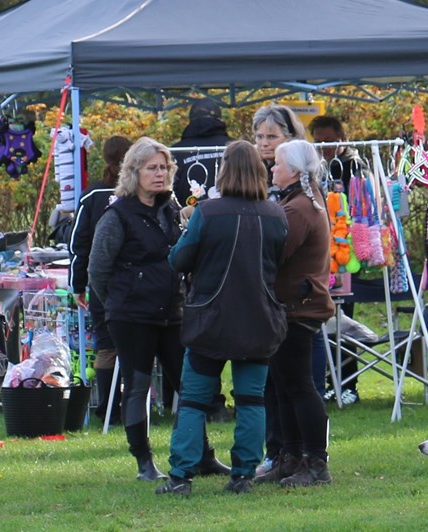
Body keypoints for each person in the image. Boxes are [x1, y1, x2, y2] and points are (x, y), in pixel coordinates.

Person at [89, 137, 228, 481]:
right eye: (152, 167)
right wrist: (119, 304)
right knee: (136, 387)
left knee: (190, 385)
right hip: (131, 316)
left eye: (164, 167)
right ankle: (144, 463)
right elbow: (97, 270)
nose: (160, 174)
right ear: (134, 171)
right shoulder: (116, 214)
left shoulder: (171, 209)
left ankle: (203, 456)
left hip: (173, 312)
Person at [157, 141, 288, 496]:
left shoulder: (208, 212)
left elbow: (179, 259)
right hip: (259, 321)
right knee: (252, 399)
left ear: (224, 170)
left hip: (210, 322)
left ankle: (180, 475)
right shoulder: (276, 215)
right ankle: (243, 474)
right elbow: (281, 263)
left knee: (194, 402)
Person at [254, 140, 335, 488]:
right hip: (295, 305)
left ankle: (315, 462)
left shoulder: (299, 208)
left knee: (298, 386)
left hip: (297, 308)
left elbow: (273, 254)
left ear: (296, 171)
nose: (272, 168)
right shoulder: (301, 201)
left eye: (278, 163)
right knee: (286, 386)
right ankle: (292, 458)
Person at [248, 103, 316, 477]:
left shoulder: (300, 194)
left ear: (290, 140)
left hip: (295, 299)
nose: (264, 144)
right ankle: (281, 453)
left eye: (271, 137)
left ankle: (306, 456)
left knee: (294, 382)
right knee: (273, 383)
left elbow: (279, 248)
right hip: (274, 299)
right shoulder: (260, 178)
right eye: (259, 137)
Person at [70, 135, 130, 424]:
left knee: (106, 346)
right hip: (138, 282)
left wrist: (77, 285)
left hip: (101, 282)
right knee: (141, 345)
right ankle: (145, 405)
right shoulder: (138, 194)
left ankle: (108, 409)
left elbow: (79, 245)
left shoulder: (92, 195)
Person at [308, 115, 364, 405]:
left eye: (329, 141)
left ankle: (349, 384)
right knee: (323, 324)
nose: (324, 148)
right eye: (318, 142)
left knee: (345, 323)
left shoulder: (355, 165)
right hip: (323, 257)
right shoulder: (313, 168)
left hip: (346, 255)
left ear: (342, 138)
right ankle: (332, 382)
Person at [171, 98, 233, 207]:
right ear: (220, 119)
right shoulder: (237, 148)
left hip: (190, 220)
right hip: (236, 219)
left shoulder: (176, 151)